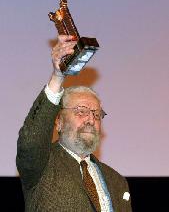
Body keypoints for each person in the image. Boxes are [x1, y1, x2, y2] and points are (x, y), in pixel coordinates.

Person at [16, 35, 132, 212]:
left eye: (97, 114)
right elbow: (31, 140)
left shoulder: (117, 181)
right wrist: (57, 77)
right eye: (81, 111)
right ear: (59, 122)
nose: (91, 119)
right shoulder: (42, 166)